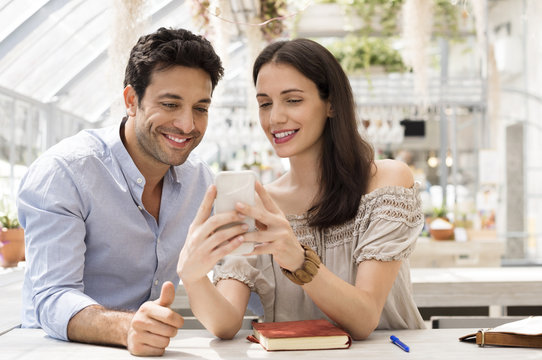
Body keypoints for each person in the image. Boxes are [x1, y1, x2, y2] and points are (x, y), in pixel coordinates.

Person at [177, 38, 426, 341]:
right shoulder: (261, 204)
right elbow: (226, 323)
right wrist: (192, 277)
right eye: (265, 103)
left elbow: (364, 319)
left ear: (331, 103)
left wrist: (298, 259)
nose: (275, 117)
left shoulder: (387, 182)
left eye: (293, 100)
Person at [17, 27, 224, 356]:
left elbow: (236, 272)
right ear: (131, 100)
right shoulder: (65, 172)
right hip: (57, 351)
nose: (188, 125)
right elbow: (52, 296)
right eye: (170, 104)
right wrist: (126, 327)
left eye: (200, 108)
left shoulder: (200, 181)